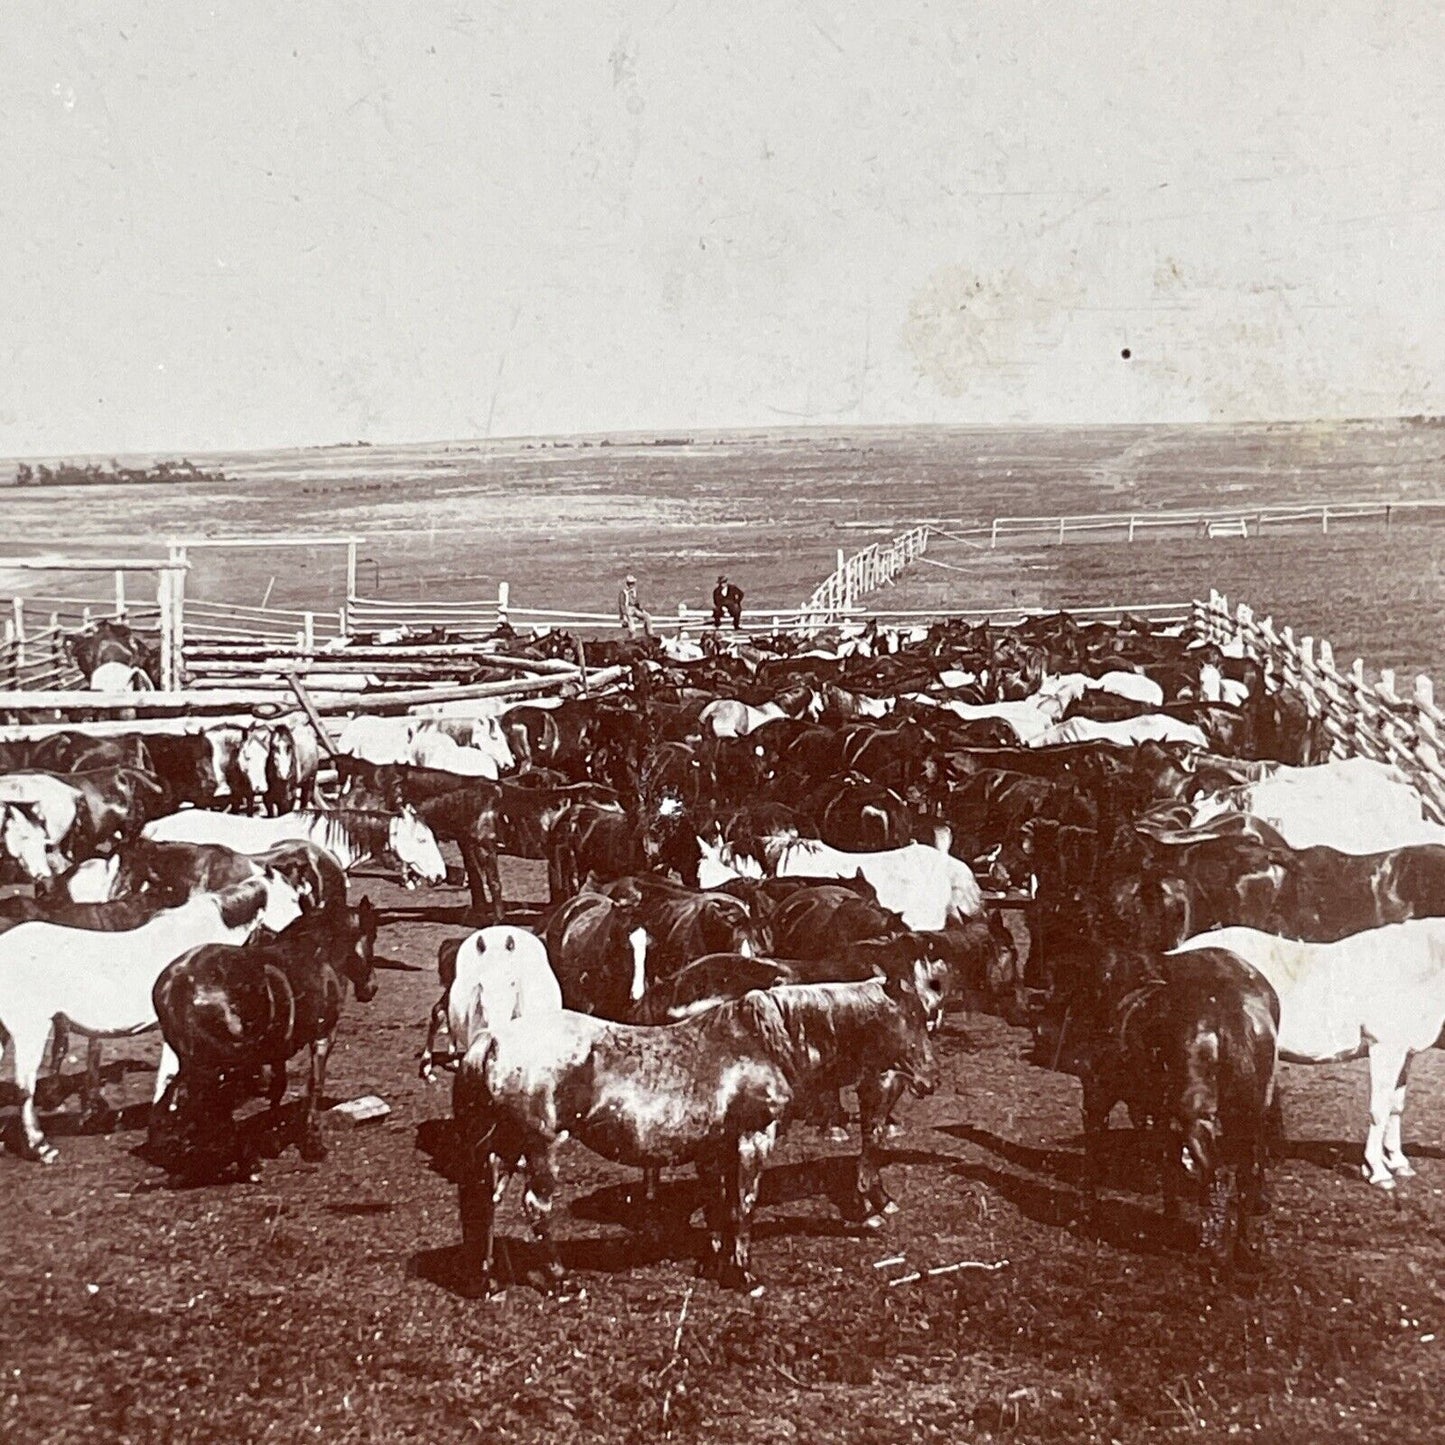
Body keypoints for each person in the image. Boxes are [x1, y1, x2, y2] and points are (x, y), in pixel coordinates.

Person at [617, 571, 654, 639]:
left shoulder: (634, 592)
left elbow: (636, 603)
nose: (632, 585)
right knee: (632, 628)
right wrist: (624, 615)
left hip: (634, 609)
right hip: (627, 610)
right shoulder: (623, 592)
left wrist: (642, 610)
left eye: (633, 583)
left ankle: (649, 634)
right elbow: (622, 604)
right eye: (630, 583)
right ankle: (632, 639)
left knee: (647, 617)